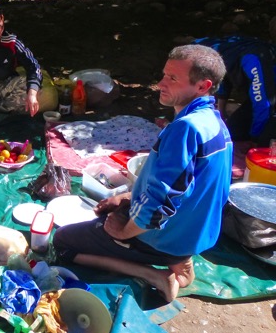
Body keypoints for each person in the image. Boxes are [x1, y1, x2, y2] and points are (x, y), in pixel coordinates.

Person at [53, 44, 233, 302]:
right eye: (164, 75)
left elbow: (162, 200)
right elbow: (189, 187)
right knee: (116, 209)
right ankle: (178, 258)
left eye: (173, 78)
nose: (161, 83)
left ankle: (155, 274)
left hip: (165, 236)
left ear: (202, 86)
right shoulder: (215, 123)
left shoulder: (185, 129)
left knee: (62, 243)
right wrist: (127, 197)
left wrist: (124, 231)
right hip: (194, 232)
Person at [194, 35, 276, 146]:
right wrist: (221, 116)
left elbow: (263, 103)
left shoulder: (253, 59)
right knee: (232, 133)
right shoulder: (218, 51)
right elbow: (222, 84)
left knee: (264, 141)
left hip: (268, 95)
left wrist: (254, 139)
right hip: (264, 93)